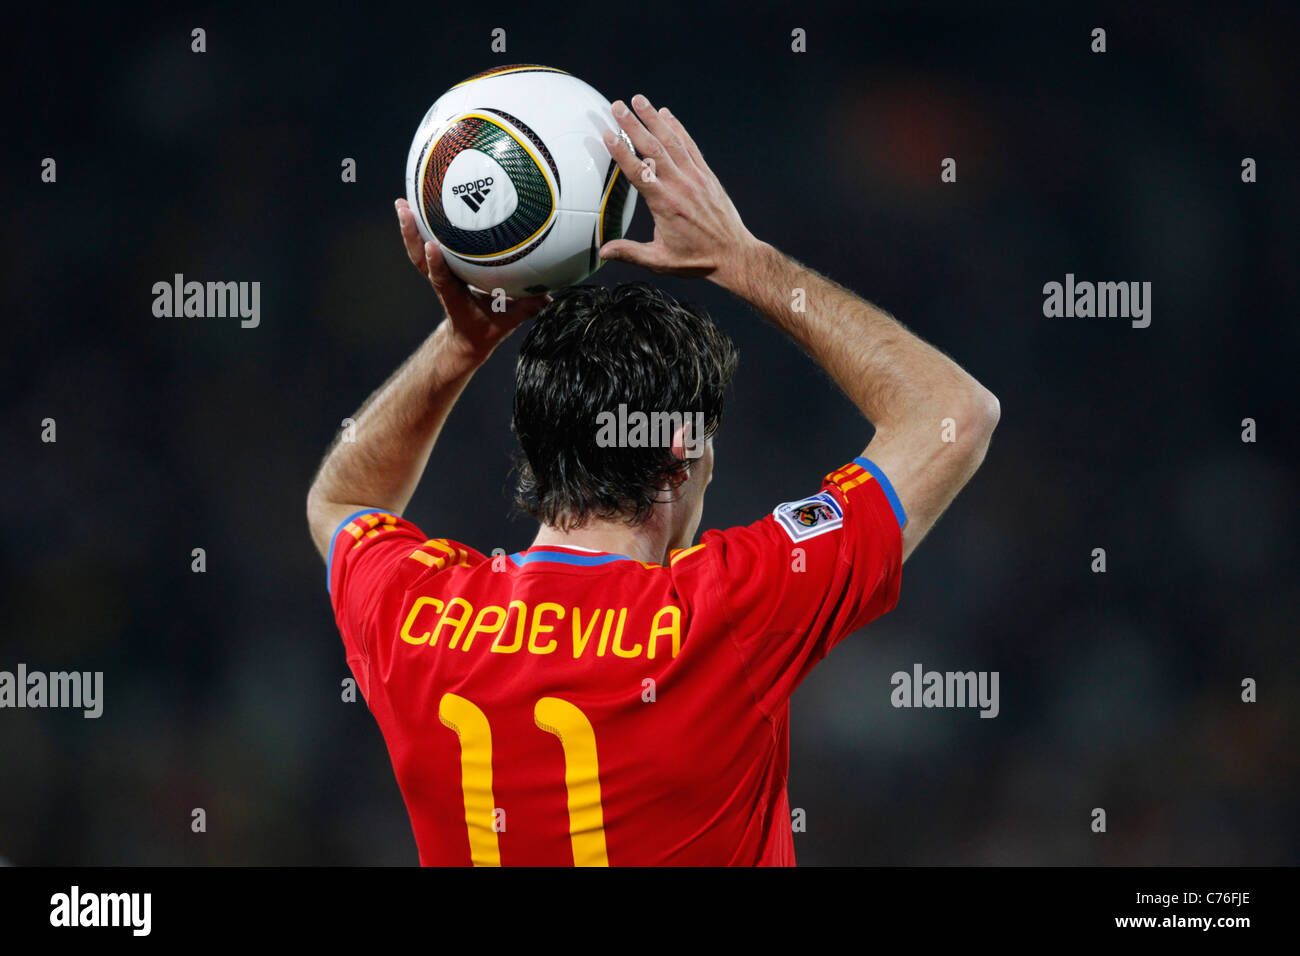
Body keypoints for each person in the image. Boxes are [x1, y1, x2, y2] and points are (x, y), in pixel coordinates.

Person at [306, 93, 999, 865]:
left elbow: (342, 499)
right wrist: (743, 260)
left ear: (534, 442)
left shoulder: (419, 617)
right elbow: (953, 413)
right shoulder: (727, 611)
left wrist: (459, 346)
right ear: (681, 452)